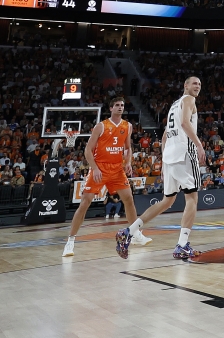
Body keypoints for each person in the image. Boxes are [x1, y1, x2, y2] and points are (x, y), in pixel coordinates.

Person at [118, 76, 206, 259]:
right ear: (186, 85)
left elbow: (165, 137)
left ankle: (129, 231)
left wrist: (165, 163)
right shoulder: (189, 100)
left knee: (167, 201)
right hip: (184, 153)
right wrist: (198, 144)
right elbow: (184, 123)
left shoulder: (174, 105)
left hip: (170, 157)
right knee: (192, 199)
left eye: (199, 84)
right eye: (194, 83)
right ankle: (182, 245)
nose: (197, 86)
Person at [64, 97, 143, 258]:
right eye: (117, 105)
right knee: (85, 202)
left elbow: (128, 148)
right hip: (100, 168)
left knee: (128, 199)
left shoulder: (127, 126)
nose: (120, 107)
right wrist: (94, 168)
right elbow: (87, 150)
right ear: (111, 108)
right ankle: (70, 241)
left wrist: (127, 162)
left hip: (117, 169)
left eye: (122, 105)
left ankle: (135, 234)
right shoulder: (101, 126)